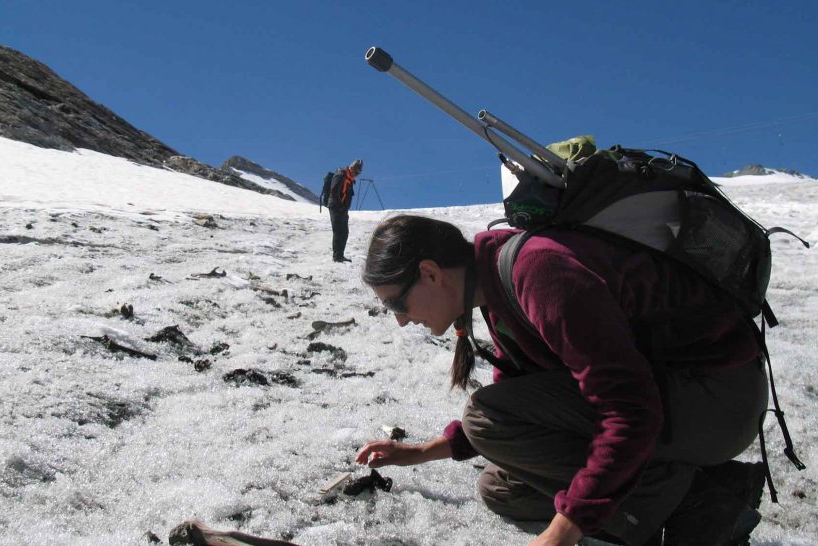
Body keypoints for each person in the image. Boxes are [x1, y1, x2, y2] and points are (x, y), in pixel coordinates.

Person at [355, 214, 768, 546]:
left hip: (719, 398)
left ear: (430, 273)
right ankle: (665, 494)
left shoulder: (540, 272)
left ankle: (700, 501)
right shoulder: (496, 293)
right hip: (678, 399)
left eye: (397, 302)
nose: (402, 320)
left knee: (486, 419)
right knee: (501, 488)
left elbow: (630, 409)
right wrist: (421, 452)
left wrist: (564, 531)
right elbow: (523, 402)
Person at [327, 159, 363, 262]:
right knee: (338, 231)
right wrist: (340, 207)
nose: (356, 174)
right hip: (336, 206)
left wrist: (344, 209)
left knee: (344, 232)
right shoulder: (341, 174)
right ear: (351, 167)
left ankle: (340, 255)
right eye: (356, 171)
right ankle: (337, 257)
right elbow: (334, 191)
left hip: (342, 209)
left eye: (358, 173)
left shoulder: (350, 179)